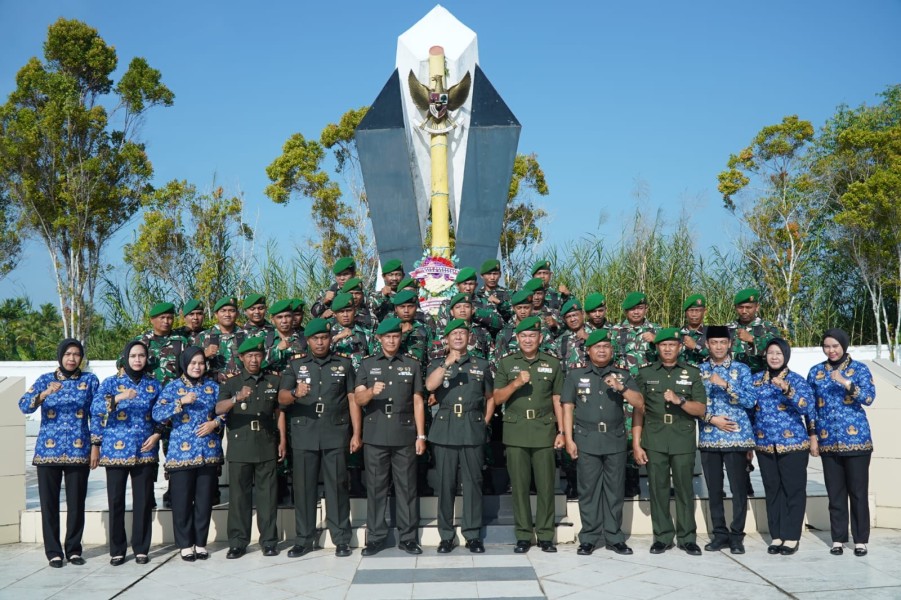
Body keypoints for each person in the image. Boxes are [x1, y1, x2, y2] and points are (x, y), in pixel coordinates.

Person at [279, 318, 360, 558]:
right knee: (304, 490)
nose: (320, 342)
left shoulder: (344, 365)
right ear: (308, 341)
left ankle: (341, 539)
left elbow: (352, 399)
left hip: (335, 433)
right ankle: (304, 539)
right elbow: (282, 398)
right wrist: (295, 393)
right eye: (315, 338)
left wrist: (357, 433)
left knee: (337, 488)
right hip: (305, 435)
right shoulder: (295, 366)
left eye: (324, 337)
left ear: (329, 339)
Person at [562, 329, 643, 556]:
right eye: (597, 347)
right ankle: (588, 538)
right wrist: (569, 438)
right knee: (588, 490)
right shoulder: (575, 375)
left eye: (606, 347)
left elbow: (640, 404)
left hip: (614, 440)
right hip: (586, 439)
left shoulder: (622, 374)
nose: (601, 350)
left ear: (611, 350)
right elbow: (567, 407)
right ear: (588, 351)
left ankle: (614, 537)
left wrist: (621, 388)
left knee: (614, 490)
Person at [18, 339, 98, 568]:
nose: (72, 358)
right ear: (60, 356)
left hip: (79, 450)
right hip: (47, 452)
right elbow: (24, 405)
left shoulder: (89, 381)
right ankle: (53, 551)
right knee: (49, 504)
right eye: (68, 354)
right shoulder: (46, 379)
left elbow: (98, 414)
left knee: (76, 503)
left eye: (76, 354)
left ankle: (73, 549)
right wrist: (43, 394)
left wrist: (95, 445)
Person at [354, 318, 427, 556]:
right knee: (376, 487)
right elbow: (357, 399)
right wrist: (370, 393)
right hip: (375, 435)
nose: (392, 340)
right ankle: (375, 537)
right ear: (379, 339)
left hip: (404, 433)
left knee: (407, 487)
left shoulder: (412, 364)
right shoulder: (367, 365)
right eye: (387, 337)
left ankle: (408, 537)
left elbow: (418, 400)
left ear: (400, 338)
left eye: (396, 336)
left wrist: (421, 435)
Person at [632, 328, 707, 555]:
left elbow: (701, 409)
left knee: (685, 489)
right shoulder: (645, 374)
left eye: (672, 345)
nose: (667, 349)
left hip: (682, 438)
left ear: (679, 347)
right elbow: (639, 410)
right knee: (658, 489)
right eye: (663, 345)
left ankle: (687, 538)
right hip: (654, 438)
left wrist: (680, 400)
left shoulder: (692, 373)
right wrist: (636, 443)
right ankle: (663, 536)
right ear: (657, 348)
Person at [494, 316, 565, 553]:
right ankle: (523, 534)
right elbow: (497, 399)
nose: (527, 339)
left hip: (544, 430)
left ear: (540, 338)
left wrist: (562, 431)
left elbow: (558, 399)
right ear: (517, 338)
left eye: (532, 336)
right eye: (523, 336)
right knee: (520, 486)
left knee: (546, 486)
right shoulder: (506, 363)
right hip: (516, 431)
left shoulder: (552, 364)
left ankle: (545, 535)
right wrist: (515, 384)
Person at [425, 319, 495, 553]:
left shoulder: (482, 364)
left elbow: (490, 397)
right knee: (446, 484)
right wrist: (446, 364)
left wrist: (482, 422)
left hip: (471, 427)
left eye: (462, 333)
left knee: (473, 483)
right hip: (445, 430)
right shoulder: (437, 363)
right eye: (453, 334)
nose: (458, 337)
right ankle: (446, 535)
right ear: (446, 338)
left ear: (469, 337)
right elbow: (429, 386)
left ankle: (472, 534)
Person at [91, 341, 162, 566]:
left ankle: (141, 548)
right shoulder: (111, 383)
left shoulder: (154, 385)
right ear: (125, 358)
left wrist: (158, 434)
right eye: (133, 356)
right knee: (116, 501)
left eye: (141, 356)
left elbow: (162, 412)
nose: (138, 360)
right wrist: (120, 398)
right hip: (115, 451)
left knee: (142, 501)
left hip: (144, 450)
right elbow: (95, 409)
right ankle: (118, 549)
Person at [215, 337, 287, 559]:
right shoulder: (231, 383)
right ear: (241, 358)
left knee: (268, 497)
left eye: (258, 355)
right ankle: (238, 542)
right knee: (239, 497)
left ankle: (269, 541)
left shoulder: (273, 382)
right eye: (250, 356)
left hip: (266, 443)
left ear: (263, 357)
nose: (254, 360)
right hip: (240, 445)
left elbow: (279, 413)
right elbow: (218, 409)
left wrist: (282, 440)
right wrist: (237, 398)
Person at [807, 328, 876, 557]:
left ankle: (860, 540)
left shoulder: (859, 369)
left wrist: (847, 383)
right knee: (835, 492)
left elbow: (868, 398)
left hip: (857, 442)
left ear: (843, 346)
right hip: (828, 442)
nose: (831, 350)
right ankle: (837, 538)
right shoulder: (816, 372)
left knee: (858, 492)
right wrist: (813, 436)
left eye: (835, 346)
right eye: (827, 346)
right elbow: (811, 408)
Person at [153, 347, 224, 562]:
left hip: (208, 451)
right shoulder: (173, 387)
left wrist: (215, 423)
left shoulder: (213, 387)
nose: (197, 367)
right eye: (193, 363)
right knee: (182, 501)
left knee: (204, 501)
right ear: (184, 364)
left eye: (201, 363)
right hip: (180, 454)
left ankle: (200, 543)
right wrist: (180, 402)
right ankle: (185, 544)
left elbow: (227, 413)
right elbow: (157, 414)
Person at [752, 338, 817, 556]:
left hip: (793, 445)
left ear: (786, 356)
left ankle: (791, 536)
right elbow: (750, 412)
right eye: (771, 352)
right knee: (772, 490)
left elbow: (807, 407)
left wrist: (787, 390)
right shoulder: (756, 381)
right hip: (765, 445)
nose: (774, 357)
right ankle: (777, 534)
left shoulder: (796, 380)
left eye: (779, 353)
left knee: (793, 490)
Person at [697, 326, 754, 554]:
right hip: (710, 437)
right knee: (714, 490)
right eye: (714, 343)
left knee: (739, 489)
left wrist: (725, 384)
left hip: (736, 437)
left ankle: (737, 535)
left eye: (723, 342)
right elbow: (692, 405)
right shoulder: (699, 371)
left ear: (730, 344)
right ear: (707, 345)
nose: (718, 347)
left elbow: (750, 400)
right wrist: (712, 419)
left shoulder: (741, 369)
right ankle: (719, 534)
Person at [614, 292, 658, 498]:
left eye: (640, 308)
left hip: (650, 393)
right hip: (622, 394)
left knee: (652, 437)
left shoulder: (657, 331)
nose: (636, 312)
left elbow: (675, 354)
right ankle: (629, 484)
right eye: (632, 309)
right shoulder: (615, 331)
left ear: (646, 309)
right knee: (624, 437)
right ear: (626, 312)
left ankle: (657, 485)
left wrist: (657, 342)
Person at [197, 296, 247, 383]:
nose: (227, 314)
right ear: (216, 314)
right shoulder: (203, 336)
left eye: (231, 311)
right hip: (212, 387)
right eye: (223, 311)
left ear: (237, 314)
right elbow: (190, 364)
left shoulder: (246, 336)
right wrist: (204, 354)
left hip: (240, 385)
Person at [473, 258, 512, 323]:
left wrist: (500, 303)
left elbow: (515, 312)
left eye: (495, 274)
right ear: (482, 276)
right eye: (489, 274)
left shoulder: (509, 294)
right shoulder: (476, 296)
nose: (492, 278)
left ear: (500, 275)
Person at [679, 294, 708, 365]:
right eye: (691, 310)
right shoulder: (677, 334)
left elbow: (719, 356)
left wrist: (696, 347)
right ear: (686, 313)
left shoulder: (713, 333)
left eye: (698, 311)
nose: (694, 314)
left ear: (705, 312)